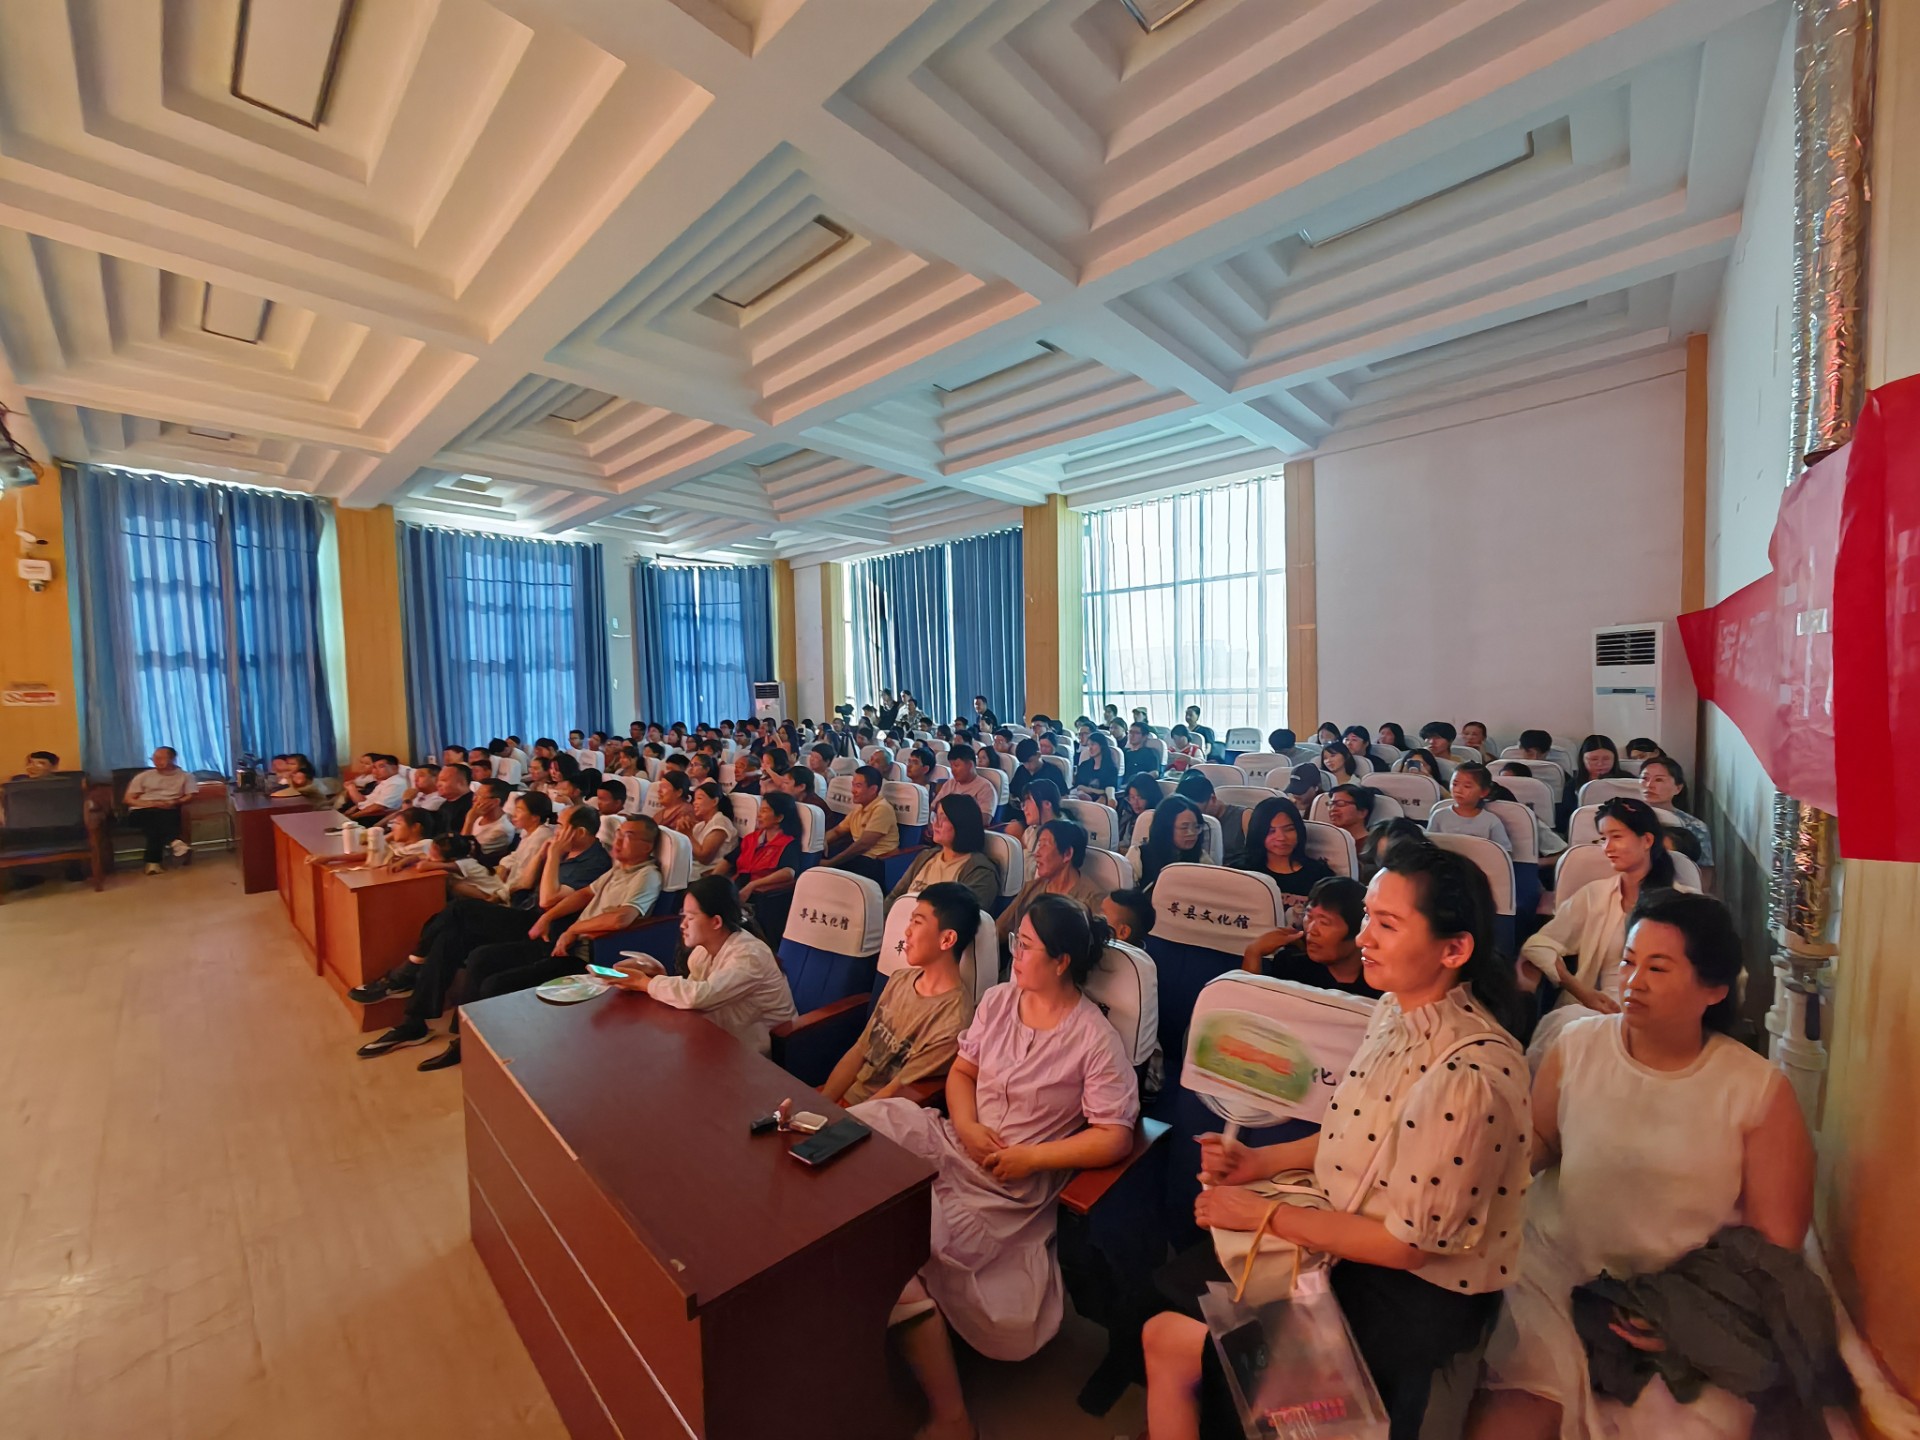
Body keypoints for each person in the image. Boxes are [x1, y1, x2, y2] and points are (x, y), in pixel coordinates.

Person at [1142, 844, 1531, 1440]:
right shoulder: (1395, 1011)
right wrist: (1258, 1162)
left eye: (1388, 924)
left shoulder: (1468, 1077)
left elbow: (1407, 1247)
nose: (1365, 937)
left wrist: (1264, 1215)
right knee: (1169, 1311)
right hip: (1348, 1226)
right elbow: (1360, 1128)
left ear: (1454, 950)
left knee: (1176, 1340)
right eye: (1368, 916)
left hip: (1407, 1286)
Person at [1472, 893, 1815, 1440]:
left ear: (1714, 989)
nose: (1633, 981)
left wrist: (1687, 1318)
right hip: (1556, 1276)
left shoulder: (1757, 1092)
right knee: (1516, 1418)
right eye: (1629, 962)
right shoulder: (1577, 1044)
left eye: (1658, 968)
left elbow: (1774, 1246)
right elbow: (1541, 1140)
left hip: (1676, 1299)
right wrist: (1482, 1168)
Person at [855, 896, 1139, 1438]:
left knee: (907, 1231)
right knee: (868, 1124)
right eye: (1016, 942)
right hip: (957, 1143)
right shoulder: (999, 1000)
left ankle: (951, 1415)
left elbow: (1114, 1136)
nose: (1015, 955)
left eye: (1026, 946)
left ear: (1061, 962)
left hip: (1009, 1186)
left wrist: (1032, 1157)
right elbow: (962, 1073)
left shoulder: (1093, 1039)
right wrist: (964, 1124)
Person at [1520, 797, 1691, 1067]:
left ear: (1647, 840)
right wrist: (1581, 990)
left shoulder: (1684, 903)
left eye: (1616, 837)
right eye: (1603, 839)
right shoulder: (1595, 896)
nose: (1607, 848)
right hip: (1598, 1009)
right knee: (1568, 1032)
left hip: (1661, 1015)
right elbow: (1539, 944)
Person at [821, 882, 980, 1107]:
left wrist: (841, 1123)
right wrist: (821, 1106)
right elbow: (859, 1050)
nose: (907, 931)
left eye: (917, 922)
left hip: (874, 1115)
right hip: (846, 1099)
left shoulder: (953, 1022)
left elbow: (895, 1091)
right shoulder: (900, 979)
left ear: (946, 939)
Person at [605, 876, 796, 1054]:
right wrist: (658, 975)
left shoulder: (749, 956)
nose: (683, 925)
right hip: (724, 1036)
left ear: (716, 922)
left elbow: (700, 996)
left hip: (760, 1051)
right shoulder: (702, 952)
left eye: (690, 917)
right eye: (683, 916)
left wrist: (644, 983)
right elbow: (694, 993)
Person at [1239, 874, 1381, 999]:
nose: (1312, 930)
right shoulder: (1291, 966)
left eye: (1324, 922)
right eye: (1309, 916)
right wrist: (1253, 952)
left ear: (1359, 930)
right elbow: (1250, 1011)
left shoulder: (1381, 982)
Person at [996, 818, 1107, 945]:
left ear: (1067, 854)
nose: (1037, 854)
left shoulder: (1093, 900)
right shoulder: (1031, 888)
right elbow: (1000, 929)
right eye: (1039, 845)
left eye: (1044, 845)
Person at [886, 794, 999, 912]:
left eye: (943, 818)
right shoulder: (926, 856)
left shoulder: (980, 871)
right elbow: (895, 896)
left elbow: (964, 917)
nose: (935, 824)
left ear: (961, 823)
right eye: (935, 817)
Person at [1238, 795, 1335, 920]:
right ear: (1258, 833)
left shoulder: (1320, 876)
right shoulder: (1242, 873)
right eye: (1271, 831)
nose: (1281, 838)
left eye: (1289, 829)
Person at [1637, 755, 1715, 884]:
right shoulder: (1627, 818)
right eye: (1644, 778)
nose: (1649, 785)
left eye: (1659, 780)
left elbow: (1704, 870)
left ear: (1678, 788)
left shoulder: (1694, 826)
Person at [123, 746, 197, 874]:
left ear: (172, 759)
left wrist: (175, 802)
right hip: (141, 811)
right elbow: (128, 799)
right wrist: (151, 804)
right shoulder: (144, 776)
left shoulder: (186, 776)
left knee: (156, 824)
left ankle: (153, 863)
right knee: (155, 818)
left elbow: (190, 796)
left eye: (160, 758)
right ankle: (174, 842)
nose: (156, 761)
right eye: (154, 758)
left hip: (168, 809)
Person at [821, 765, 899, 880]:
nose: (853, 791)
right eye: (853, 785)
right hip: (860, 857)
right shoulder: (859, 808)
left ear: (873, 789)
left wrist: (831, 862)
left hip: (877, 861)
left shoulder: (882, 809)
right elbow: (837, 831)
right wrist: (821, 843)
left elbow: (863, 845)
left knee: (829, 873)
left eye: (858, 786)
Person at [1133, 795, 1214, 894]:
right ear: (1166, 829)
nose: (1191, 833)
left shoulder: (1202, 859)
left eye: (1196, 827)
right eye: (1184, 828)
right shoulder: (1139, 856)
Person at [734, 791, 804, 904]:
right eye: (760, 810)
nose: (758, 815)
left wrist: (753, 885)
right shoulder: (751, 838)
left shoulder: (788, 843)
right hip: (738, 888)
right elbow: (729, 859)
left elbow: (788, 873)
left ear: (779, 818)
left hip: (761, 897)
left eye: (764, 811)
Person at [1431, 762, 1513, 854]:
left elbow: (1505, 852)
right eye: (1455, 784)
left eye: (1467, 786)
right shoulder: (1439, 815)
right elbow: (1429, 846)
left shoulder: (1491, 821)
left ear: (1484, 792)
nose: (1458, 790)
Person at [1176, 770, 1249, 866]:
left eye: (1200, 812)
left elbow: (1255, 856)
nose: (1195, 818)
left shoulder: (1244, 816)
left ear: (1213, 799)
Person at [934, 744, 999, 822]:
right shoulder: (950, 783)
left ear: (970, 765)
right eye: (951, 766)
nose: (953, 770)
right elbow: (934, 806)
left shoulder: (985, 788)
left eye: (956, 765)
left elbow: (985, 820)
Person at [689, 781, 737, 879]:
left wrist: (687, 834)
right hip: (694, 871)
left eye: (699, 798)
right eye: (694, 799)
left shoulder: (721, 822)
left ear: (714, 801)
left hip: (707, 876)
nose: (694, 803)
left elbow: (704, 858)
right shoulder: (700, 825)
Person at [341, 753, 406, 823]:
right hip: (363, 813)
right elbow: (366, 801)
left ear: (395, 768)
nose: (376, 771)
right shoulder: (385, 782)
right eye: (375, 767)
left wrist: (353, 816)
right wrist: (354, 809)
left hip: (374, 817)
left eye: (381, 766)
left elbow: (379, 808)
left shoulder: (396, 783)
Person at [1012, 777, 1065, 855]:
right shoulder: (1030, 831)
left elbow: (1044, 862)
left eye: (1029, 800)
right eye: (1024, 804)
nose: (1025, 808)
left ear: (1047, 804)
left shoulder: (1063, 834)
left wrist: (1019, 845)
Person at [463, 779, 515, 856]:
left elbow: (465, 852)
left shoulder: (501, 830)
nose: (474, 799)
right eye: (475, 795)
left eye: (480, 796)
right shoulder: (479, 816)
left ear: (495, 802)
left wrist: (469, 821)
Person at [1116, 772, 1163, 851]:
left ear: (1150, 797)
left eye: (1140, 797)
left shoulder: (1156, 819)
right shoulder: (1127, 814)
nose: (1135, 803)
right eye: (1132, 797)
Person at [1073, 729, 1120, 799]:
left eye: (1093, 744)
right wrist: (1094, 791)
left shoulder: (1111, 768)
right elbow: (1078, 786)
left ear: (1102, 746)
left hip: (1102, 799)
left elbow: (1110, 789)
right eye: (1088, 745)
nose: (1090, 748)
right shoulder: (1084, 765)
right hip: (1082, 798)